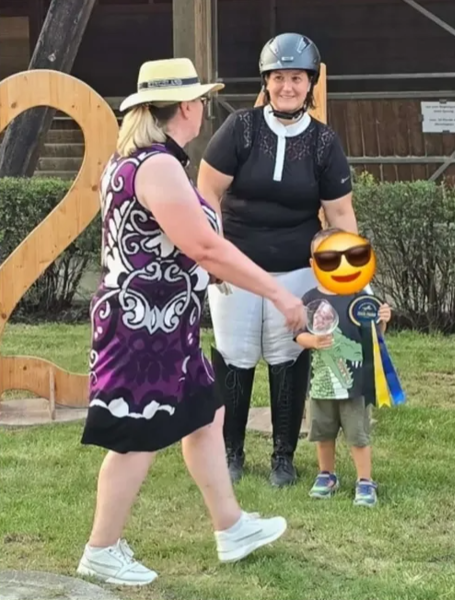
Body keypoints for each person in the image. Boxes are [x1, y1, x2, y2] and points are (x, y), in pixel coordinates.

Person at [76, 58, 307, 587]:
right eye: (201, 100)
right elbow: (204, 247)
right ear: (186, 107)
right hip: (142, 328)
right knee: (135, 435)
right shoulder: (157, 166)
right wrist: (277, 293)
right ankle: (101, 550)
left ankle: (232, 527)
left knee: (205, 415)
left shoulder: (139, 160)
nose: (204, 108)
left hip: (163, 323)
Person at [197, 32, 360, 488]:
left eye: (296, 78)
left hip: (297, 270)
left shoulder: (325, 143)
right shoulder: (241, 128)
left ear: (310, 84)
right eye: (278, 78)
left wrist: (353, 278)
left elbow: (340, 213)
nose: (287, 86)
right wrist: (213, 252)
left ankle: (283, 458)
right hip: (236, 267)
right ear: (265, 82)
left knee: (288, 355)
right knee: (235, 355)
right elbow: (207, 191)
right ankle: (231, 453)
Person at [295, 228, 392, 506]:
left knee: (358, 435)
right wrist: (313, 340)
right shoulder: (309, 300)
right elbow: (298, 335)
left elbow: (376, 334)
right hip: (321, 384)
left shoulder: (360, 295)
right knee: (323, 433)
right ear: (314, 264)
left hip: (355, 385)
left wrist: (383, 319)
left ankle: (365, 481)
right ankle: (326, 475)